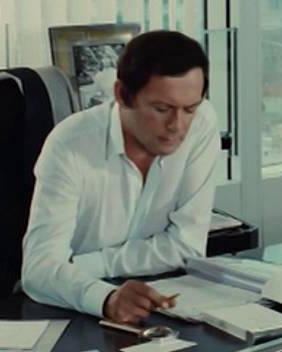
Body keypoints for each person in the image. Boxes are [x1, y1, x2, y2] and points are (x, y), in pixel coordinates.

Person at [22, 30, 221, 323]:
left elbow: (187, 246)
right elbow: (38, 269)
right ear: (122, 95)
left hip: (158, 301)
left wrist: (85, 264)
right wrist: (106, 298)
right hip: (74, 308)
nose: (177, 125)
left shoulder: (201, 124)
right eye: (162, 109)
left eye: (190, 109)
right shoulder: (70, 144)